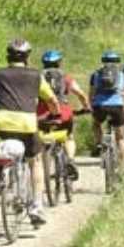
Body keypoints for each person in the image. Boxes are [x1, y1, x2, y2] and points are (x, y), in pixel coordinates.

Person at [0, 38, 58, 226]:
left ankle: (6, 176)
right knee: (35, 161)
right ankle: (37, 205)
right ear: (27, 57)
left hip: (1, 123)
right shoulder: (35, 75)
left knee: (7, 148)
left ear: (7, 55)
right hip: (27, 124)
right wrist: (54, 113)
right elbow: (52, 100)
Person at [37, 49, 90, 180]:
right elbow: (81, 94)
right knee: (69, 137)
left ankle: (43, 162)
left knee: (41, 139)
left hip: (42, 114)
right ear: (59, 63)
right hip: (63, 113)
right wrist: (86, 107)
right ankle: (70, 160)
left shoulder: (37, 78)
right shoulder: (65, 78)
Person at [89, 50, 124, 165]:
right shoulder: (122, 75)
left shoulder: (96, 74)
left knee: (96, 124)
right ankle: (122, 168)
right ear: (117, 62)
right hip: (117, 106)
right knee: (120, 138)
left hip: (100, 106)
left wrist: (92, 105)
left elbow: (92, 92)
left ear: (103, 62)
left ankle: (99, 144)